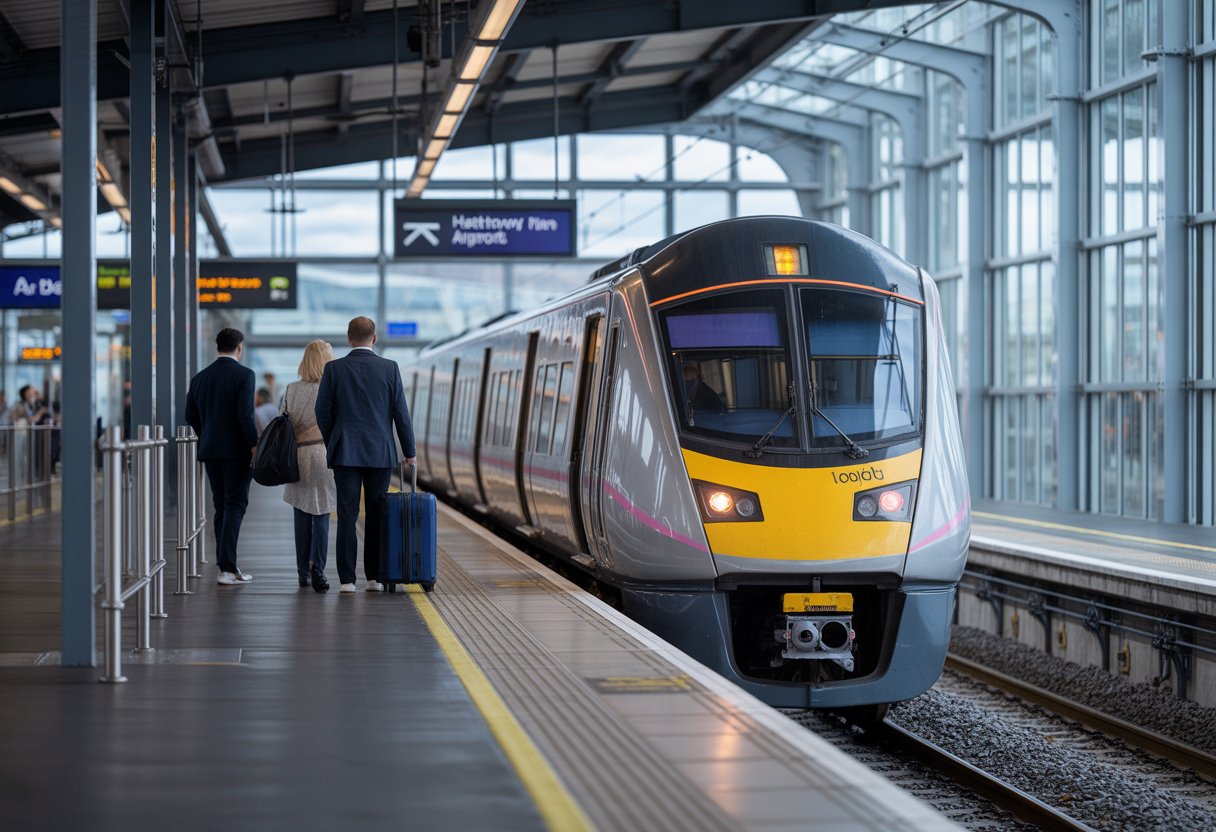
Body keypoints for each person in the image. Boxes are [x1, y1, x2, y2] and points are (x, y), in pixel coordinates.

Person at [315, 316, 416, 593]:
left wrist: (334, 440)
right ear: (374, 339)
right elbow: (401, 415)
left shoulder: (334, 369)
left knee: (346, 515)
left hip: (345, 452)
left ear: (349, 338)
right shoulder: (389, 368)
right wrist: (410, 452)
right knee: (376, 514)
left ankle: (347, 580)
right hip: (379, 453)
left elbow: (322, 411)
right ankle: (374, 577)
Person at [185, 328, 259, 586]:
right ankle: (227, 568)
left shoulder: (200, 378)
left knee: (221, 506)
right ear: (239, 347)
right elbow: (245, 415)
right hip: (237, 452)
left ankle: (224, 566)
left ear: (218, 346)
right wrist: (253, 446)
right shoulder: (245, 375)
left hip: (210, 451)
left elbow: (190, 416)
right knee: (235, 505)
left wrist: (207, 436)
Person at [281, 341, 337, 593]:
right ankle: (319, 568)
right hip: (325, 453)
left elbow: (284, 422)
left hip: (300, 454)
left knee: (302, 511)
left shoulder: (292, 389)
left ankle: (303, 571)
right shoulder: (332, 388)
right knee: (322, 510)